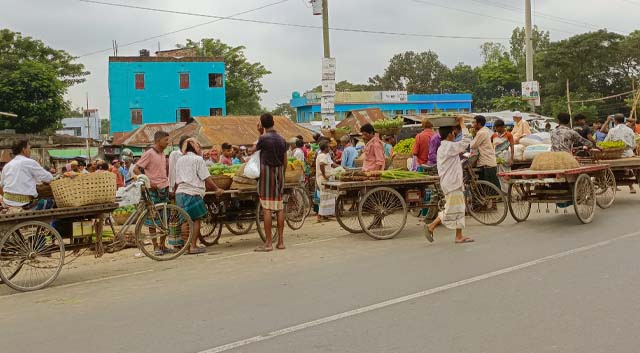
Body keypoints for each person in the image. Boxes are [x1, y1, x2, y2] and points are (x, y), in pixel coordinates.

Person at [425, 117, 474, 244]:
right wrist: (463, 123)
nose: (455, 134)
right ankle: (431, 226)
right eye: (454, 132)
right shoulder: (449, 147)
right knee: (451, 210)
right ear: (449, 134)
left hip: (453, 183)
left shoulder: (445, 147)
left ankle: (459, 236)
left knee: (459, 209)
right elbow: (466, 140)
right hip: (452, 184)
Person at [175, 138, 224, 254]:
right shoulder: (198, 160)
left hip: (180, 192)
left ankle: (186, 247)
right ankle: (193, 246)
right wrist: (216, 188)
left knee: (184, 221)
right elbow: (206, 177)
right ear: (196, 148)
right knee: (196, 220)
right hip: (193, 192)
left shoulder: (179, 160)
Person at [134, 131, 171, 256]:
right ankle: (155, 246)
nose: (167, 142)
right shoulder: (149, 153)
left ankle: (162, 245)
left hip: (164, 188)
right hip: (153, 190)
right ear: (159, 140)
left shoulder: (162, 154)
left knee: (164, 219)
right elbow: (136, 168)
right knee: (152, 219)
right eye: (166, 140)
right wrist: (147, 181)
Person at [255, 113, 287, 252]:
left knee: (267, 208)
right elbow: (285, 161)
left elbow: (254, 150)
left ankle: (268, 243)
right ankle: (280, 241)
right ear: (273, 122)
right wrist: (282, 175)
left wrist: (259, 133)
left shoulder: (263, 138)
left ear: (262, 124)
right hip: (279, 172)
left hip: (266, 173)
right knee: (279, 207)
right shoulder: (282, 139)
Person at [0, 140, 54, 213]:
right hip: (23, 203)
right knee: (50, 202)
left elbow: (1, 184)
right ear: (23, 149)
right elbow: (49, 178)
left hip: (7, 202)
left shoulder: (7, 166)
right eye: (29, 148)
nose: (30, 151)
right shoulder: (29, 162)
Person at [470, 115, 500, 188]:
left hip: (486, 162)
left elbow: (473, 145)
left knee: (489, 188)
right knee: (490, 187)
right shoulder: (484, 130)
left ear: (479, 124)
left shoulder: (481, 133)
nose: (472, 125)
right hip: (487, 161)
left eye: (474, 123)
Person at [315, 140, 337, 222]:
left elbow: (331, 164)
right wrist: (324, 175)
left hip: (325, 178)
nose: (329, 148)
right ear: (325, 148)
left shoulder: (323, 155)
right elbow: (321, 165)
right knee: (324, 198)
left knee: (327, 197)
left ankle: (324, 215)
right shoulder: (322, 156)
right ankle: (320, 216)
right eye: (328, 146)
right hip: (323, 179)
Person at [492, 119, 515, 192]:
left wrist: (511, 159)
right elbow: (491, 146)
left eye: (497, 127)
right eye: (495, 127)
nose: (496, 129)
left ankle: (509, 192)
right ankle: (503, 192)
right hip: (496, 157)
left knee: (507, 175)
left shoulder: (509, 135)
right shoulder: (493, 135)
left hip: (506, 157)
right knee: (499, 175)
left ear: (502, 127)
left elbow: (512, 147)